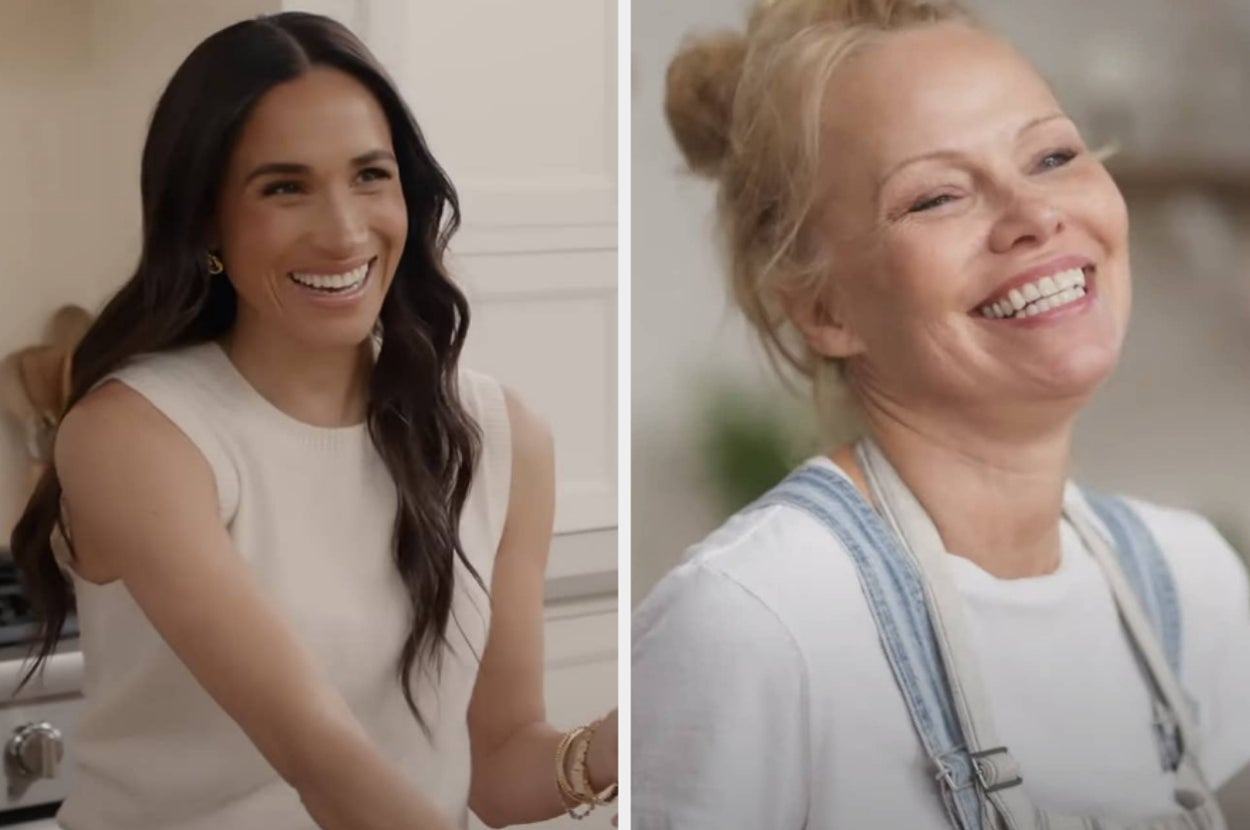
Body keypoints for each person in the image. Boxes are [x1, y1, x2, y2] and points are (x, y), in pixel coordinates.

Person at [632, 1, 1250, 828]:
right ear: (823, 307)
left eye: (1053, 154)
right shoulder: (756, 622)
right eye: (936, 198)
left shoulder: (1190, 580)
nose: (1036, 216)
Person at [9, 12, 617, 830]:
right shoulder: (138, 436)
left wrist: (622, 745)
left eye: (370, 175)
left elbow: (498, 765)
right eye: (284, 186)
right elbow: (326, 766)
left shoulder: (500, 435)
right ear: (208, 223)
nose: (342, 232)